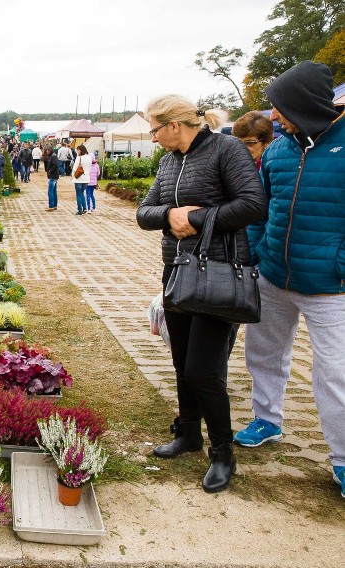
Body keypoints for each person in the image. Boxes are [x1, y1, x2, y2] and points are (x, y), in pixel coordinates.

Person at [137, 94, 265, 493]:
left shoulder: (226, 150)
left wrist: (194, 217)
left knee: (203, 370)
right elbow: (145, 212)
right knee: (181, 362)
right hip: (178, 273)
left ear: (175, 125)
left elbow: (253, 204)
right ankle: (189, 433)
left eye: (155, 129)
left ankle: (223, 452)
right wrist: (169, 215)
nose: (153, 137)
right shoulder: (169, 161)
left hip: (218, 277)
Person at [231, 61, 345, 498]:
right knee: (263, 351)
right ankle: (267, 419)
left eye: (280, 107)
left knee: (335, 372)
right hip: (274, 275)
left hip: (330, 285)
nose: (274, 117)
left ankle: (342, 459)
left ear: (305, 103)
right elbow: (260, 210)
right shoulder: (279, 151)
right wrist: (252, 254)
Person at [230, 111, 275, 264]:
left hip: (262, 246)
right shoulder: (232, 166)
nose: (243, 148)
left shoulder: (271, 168)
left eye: (250, 143)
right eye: (239, 143)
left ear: (267, 142)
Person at [70, 145, 91, 215]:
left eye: (78, 150)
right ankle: (84, 208)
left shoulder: (79, 158)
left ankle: (80, 210)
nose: (77, 152)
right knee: (82, 193)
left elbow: (75, 168)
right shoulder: (89, 157)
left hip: (79, 178)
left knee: (78, 194)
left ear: (81, 150)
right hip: (86, 178)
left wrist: (73, 176)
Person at [46, 147, 59, 211]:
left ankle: (51, 205)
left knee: (50, 191)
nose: (47, 151)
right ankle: (54, 205)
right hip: (53, 175)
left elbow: (55, 165)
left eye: (48, 150)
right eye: (46, 150)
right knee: (54, 191)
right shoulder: (51, 156)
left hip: (53, 176)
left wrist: (50, 171)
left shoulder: (53, 157)